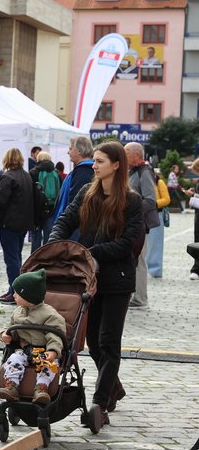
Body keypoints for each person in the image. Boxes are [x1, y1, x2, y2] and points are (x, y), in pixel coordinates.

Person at [49, 141, 144, 425]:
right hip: (88, 280)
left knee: (108, 342)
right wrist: (56, 243)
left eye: (100, 161)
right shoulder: (87, 192)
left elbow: (126, 243)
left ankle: (100, 404)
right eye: (95, 160)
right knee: (91, 340)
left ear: (116, 165)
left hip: (118, 280)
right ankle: (113, 387)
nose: (94, 165)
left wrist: (90, 253)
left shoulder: (131, 200)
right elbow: (65, 220)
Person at [0, 269, 66, 405]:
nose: (14, 295)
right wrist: (6, 335)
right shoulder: (18, 312)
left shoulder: (49, 314)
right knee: (14, 359)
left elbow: (56, 333)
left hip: (44, 351)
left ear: (28, 295)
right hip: (26, 350)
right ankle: (11, 386)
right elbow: (11, 328)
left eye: (17, 293)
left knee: (49, 365)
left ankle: (41, 388)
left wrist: (53, 350)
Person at [0, 148, 34, 304]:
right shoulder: (26, 176)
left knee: (12, 259)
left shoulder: (7, 177)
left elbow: (1, 201)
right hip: (23, 223)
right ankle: (15, 290)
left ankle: (14, 291)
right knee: (17, 256)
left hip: (9, 223)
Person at [126, 142, 158, 309]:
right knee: (134, 260)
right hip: (134, 223)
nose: (124, 156)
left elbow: (150, 200)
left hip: (139, 224)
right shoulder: (134, 171)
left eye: (126, 153)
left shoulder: (144, 171)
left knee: (139, 261)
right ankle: (134, 296)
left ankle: (140, 299)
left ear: (136, 154)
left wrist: (131, 211)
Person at [51, 136, 94, 224]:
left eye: (70, 149)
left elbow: (76, 205)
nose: (68, 152)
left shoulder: (83, 171)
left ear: (79, 151)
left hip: (70, 229)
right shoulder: (81, 170)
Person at [30, 151, 60, 250]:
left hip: (36, 209)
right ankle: (47, 260)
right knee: (49, 237)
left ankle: (35, 262)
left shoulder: (34, 172)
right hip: (52, 209)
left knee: (36, 238)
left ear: (38, 159)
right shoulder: (56, 173)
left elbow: (30, 192)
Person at [146, 173, 170, 279]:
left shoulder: (159, 182)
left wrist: (153, 203)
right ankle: (147, 268)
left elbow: (166, 199)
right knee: (146, 244)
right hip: (145, 213)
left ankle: (155, 270)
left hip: (157, 214)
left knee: (155, 244)